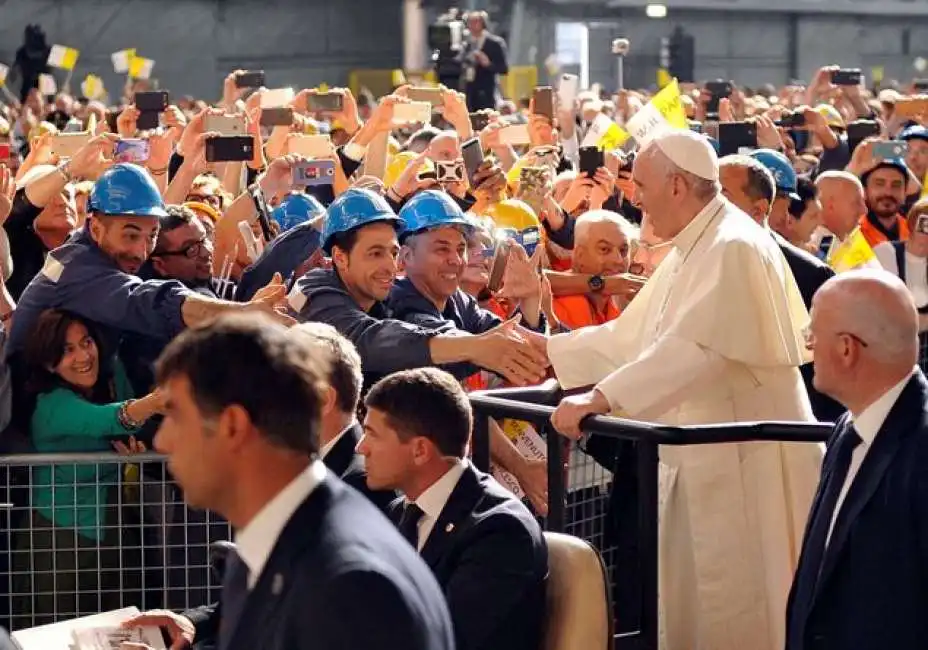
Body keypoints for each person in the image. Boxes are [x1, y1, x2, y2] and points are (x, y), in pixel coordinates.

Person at [544, 130, 822, 650]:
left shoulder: (732, 244)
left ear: (676, 185)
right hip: (702, 462)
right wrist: (548, 351)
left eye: (643, 186)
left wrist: (598, 399)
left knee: (743, 607)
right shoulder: (696, 244)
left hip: (743, 464)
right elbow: (633, 337)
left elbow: (695, 351)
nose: (637, 200)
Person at [148, 313, 455, 650]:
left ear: (233, 425)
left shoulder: (350, 584)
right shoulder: (276, 539)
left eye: (176, 416)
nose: (161, 440)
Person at [6, 158, 294, 364]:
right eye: (131, 236)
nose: (142, 251)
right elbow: (154, 300)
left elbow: (221, 231)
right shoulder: (80, 268)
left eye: (152, 235)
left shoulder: (107, 251)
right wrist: (244, 314)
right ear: (95, 228)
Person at [786, 270, 928, 649]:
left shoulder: (921, 448)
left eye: (813, 333)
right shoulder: (851, 425)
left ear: (847, 348)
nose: (809, 345)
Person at [358, 367, 547, 650]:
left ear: (420, 450)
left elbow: (443, 640)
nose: (361, 447)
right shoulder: (398, 513)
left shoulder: (500, 530)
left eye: (372, 434)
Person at [289, 188, 548, 389]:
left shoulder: (388, 296)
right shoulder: (313, 288)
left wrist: (531, 301)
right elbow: (368, 340)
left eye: (391, 253)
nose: (388, 266)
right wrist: (476, 346)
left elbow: (510, 354)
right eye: (375, 253)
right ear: (340, 257)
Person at [462, 11, 509, 111]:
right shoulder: (465, 43)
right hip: (469, 91)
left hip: (487, 91)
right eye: (469, 22)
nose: (472, 25)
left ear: (483, 23)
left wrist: (488, 64)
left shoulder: (495, 43)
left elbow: (503, 68)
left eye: (476, 21)